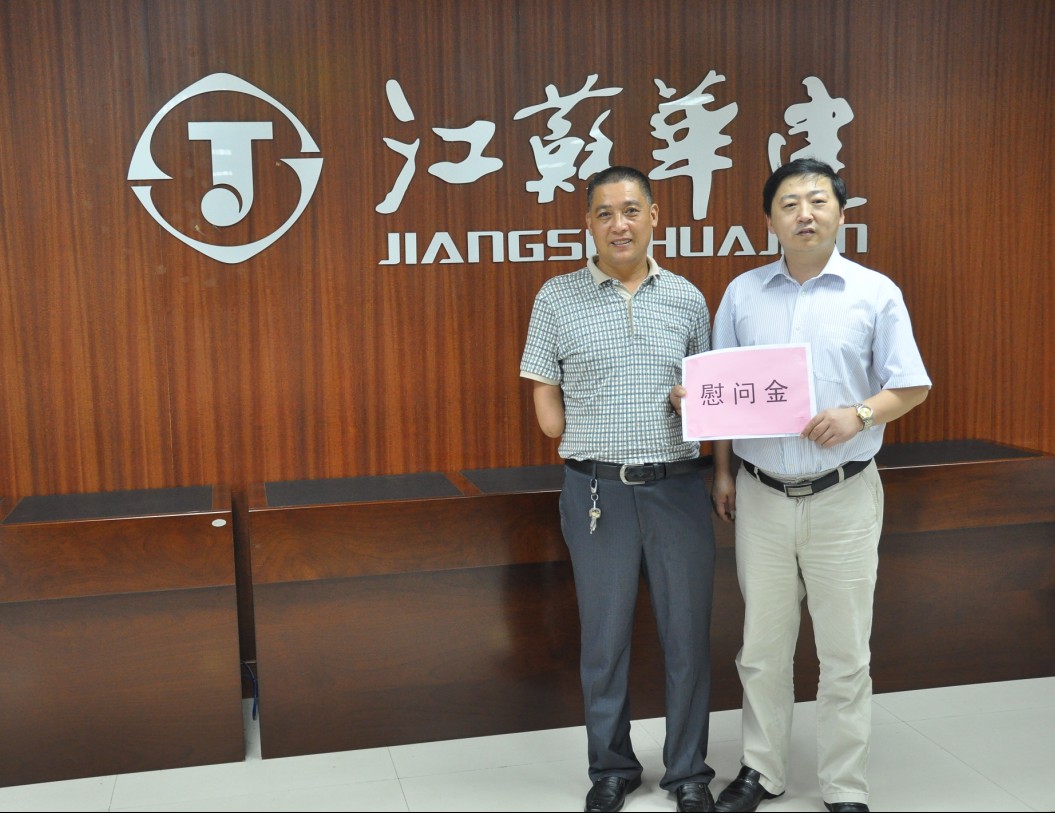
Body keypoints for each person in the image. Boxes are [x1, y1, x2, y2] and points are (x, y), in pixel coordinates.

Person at [674, 158, 931, 813]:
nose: (804, 214)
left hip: (843, 493)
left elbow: (910, 384)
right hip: (760, 494)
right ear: (769, 221)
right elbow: (725, 390)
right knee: (762, 648)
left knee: (845, 651)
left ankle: (844, 784)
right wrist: (721, 466)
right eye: (788, 204)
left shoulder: (874, 293)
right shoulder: (742, 294)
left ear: (841, 213)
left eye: (817, 201)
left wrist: (859, 414)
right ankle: (761, 770)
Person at [520, 166, 718, 813]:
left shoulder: (686, 298)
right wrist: (570, 431)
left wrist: (692, 411)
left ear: (654, 216)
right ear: (588, 224)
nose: (619, 224)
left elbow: (710, 399)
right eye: (604, 213)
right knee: (604, 640)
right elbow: (544, 393)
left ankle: (688, 771)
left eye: (631, 210)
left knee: (686, 637)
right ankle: (611, 767)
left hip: (677, 487)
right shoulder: (557, 297)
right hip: (596, 492)